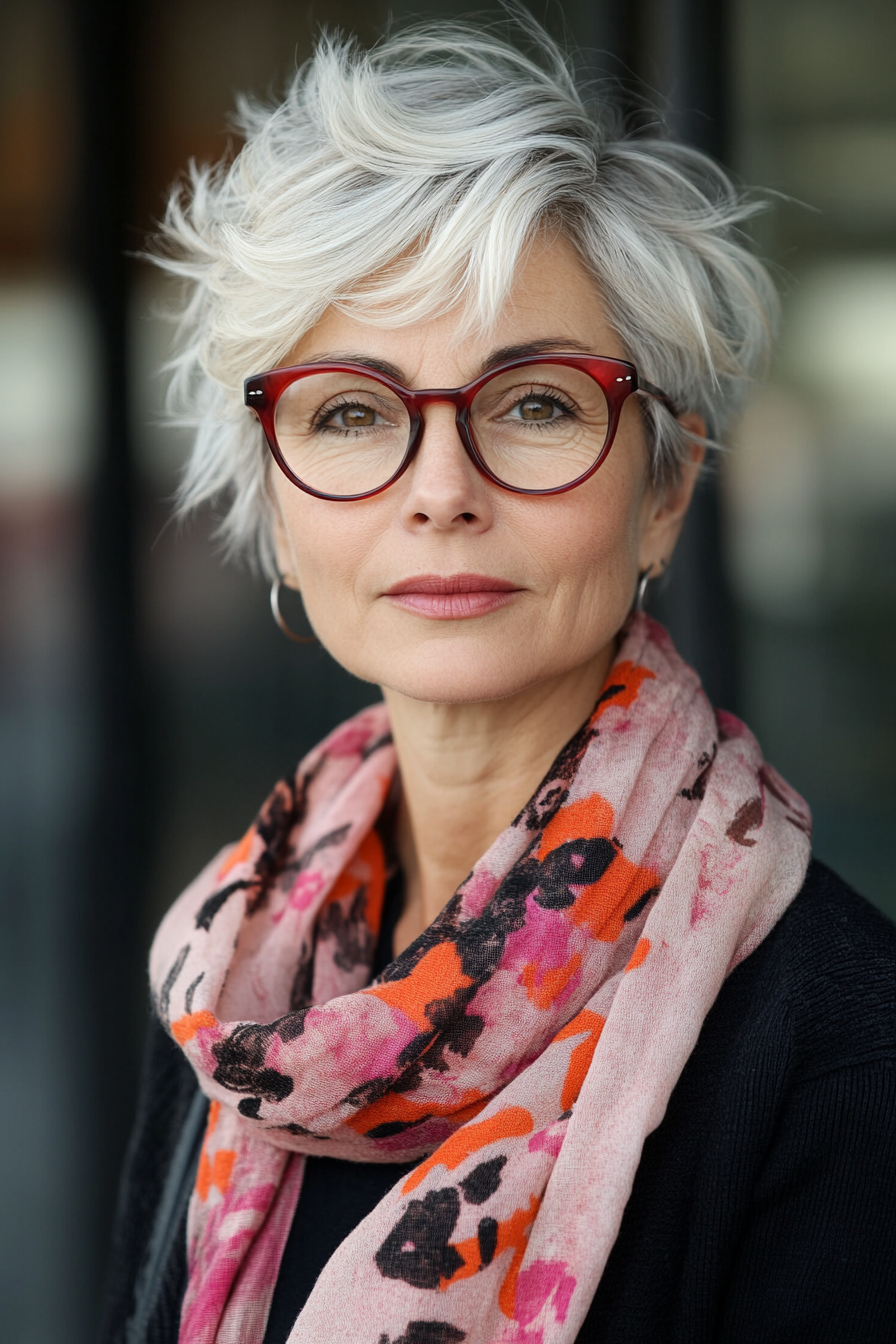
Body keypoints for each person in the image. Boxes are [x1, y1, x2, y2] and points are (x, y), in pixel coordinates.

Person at [101, 18, 896, 1344]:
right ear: (279, 503)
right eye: (351, 411)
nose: (441, 492)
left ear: (665, 488)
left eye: (534, 402)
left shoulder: (843, 1058)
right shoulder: (237, 993)